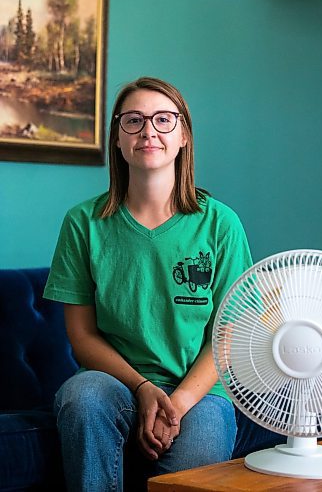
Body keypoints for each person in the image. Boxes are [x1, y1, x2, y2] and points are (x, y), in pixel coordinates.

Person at [44, 76, 252, 491]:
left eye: (163, 119)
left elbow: (229, 334)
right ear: (118, 140)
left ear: (184, 136)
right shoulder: (83, 223)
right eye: (133, 121)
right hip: (112, 383)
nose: (148, 131)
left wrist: (176, 403)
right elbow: (81, 336)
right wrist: (141, 389)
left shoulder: (220, 223)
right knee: (81, 397)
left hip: (200, 392)